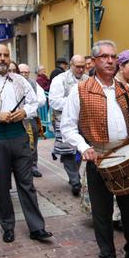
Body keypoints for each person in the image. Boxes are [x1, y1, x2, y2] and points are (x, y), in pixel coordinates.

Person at [61, 41, 129, 258]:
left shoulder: (125, 90)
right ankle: (107, 256)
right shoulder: (80, 90)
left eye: (113, 56)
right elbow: (67, 127)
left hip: (125, 156)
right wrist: (84, 147)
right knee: (102, 213)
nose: (110, 61)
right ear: (93, 62)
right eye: (104, 57)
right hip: (99, 159)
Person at [0, 43, 52, 244]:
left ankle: (37, 228)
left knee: (27, 184)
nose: (3, 58)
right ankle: (7, 226)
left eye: (6, 55)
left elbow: (34, 103)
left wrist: (25, 112)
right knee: (2, 187)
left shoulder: (20, 81)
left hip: (20, 137)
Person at [49, 55, 89, 196]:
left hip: (83, 121)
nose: (80, 69)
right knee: (67, 152)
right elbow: (54, 101)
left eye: (83, 66)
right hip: (64, 120)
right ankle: (75, 180)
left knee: (80, 149)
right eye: (77, 66)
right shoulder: (59, 79)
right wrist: (75, 103)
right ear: (71, 65)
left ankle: (74, 176)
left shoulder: (88, 79)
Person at [19, 63, 45, 177]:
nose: (24, 74)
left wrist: (28, 107)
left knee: (33, 144)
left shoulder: (33, 83)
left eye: (26, 72)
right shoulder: (12, 83)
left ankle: (33, 166)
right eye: (22, 72)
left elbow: (42, 99)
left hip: (31, 118)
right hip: (17, 120)